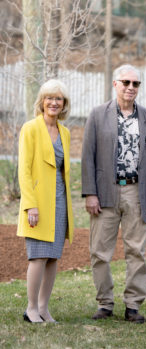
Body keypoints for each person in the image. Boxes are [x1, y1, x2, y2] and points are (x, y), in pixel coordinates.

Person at [82, 64, 146, 324]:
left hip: (136, 192)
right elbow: (87, 157)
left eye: (135, 84)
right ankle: (105, 303)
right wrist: (90, 193)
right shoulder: (97, 115)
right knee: (100, 252)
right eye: (125, 82)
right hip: (105, 192)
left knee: (136, 251)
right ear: (115, 84)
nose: (130, 87)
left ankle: (133, 305)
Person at [17, 79, 74, 323]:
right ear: (41, 101)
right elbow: (24, 170)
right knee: (38, 256)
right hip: (37, 202)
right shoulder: (30, 128)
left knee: (52, 257)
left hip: (59, 200)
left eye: (58, 99)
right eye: (49, 98)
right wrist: (31, 204)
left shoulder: (66, 132)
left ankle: (43, 307)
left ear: (64, 104)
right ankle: (30, 308)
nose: (53, 102)